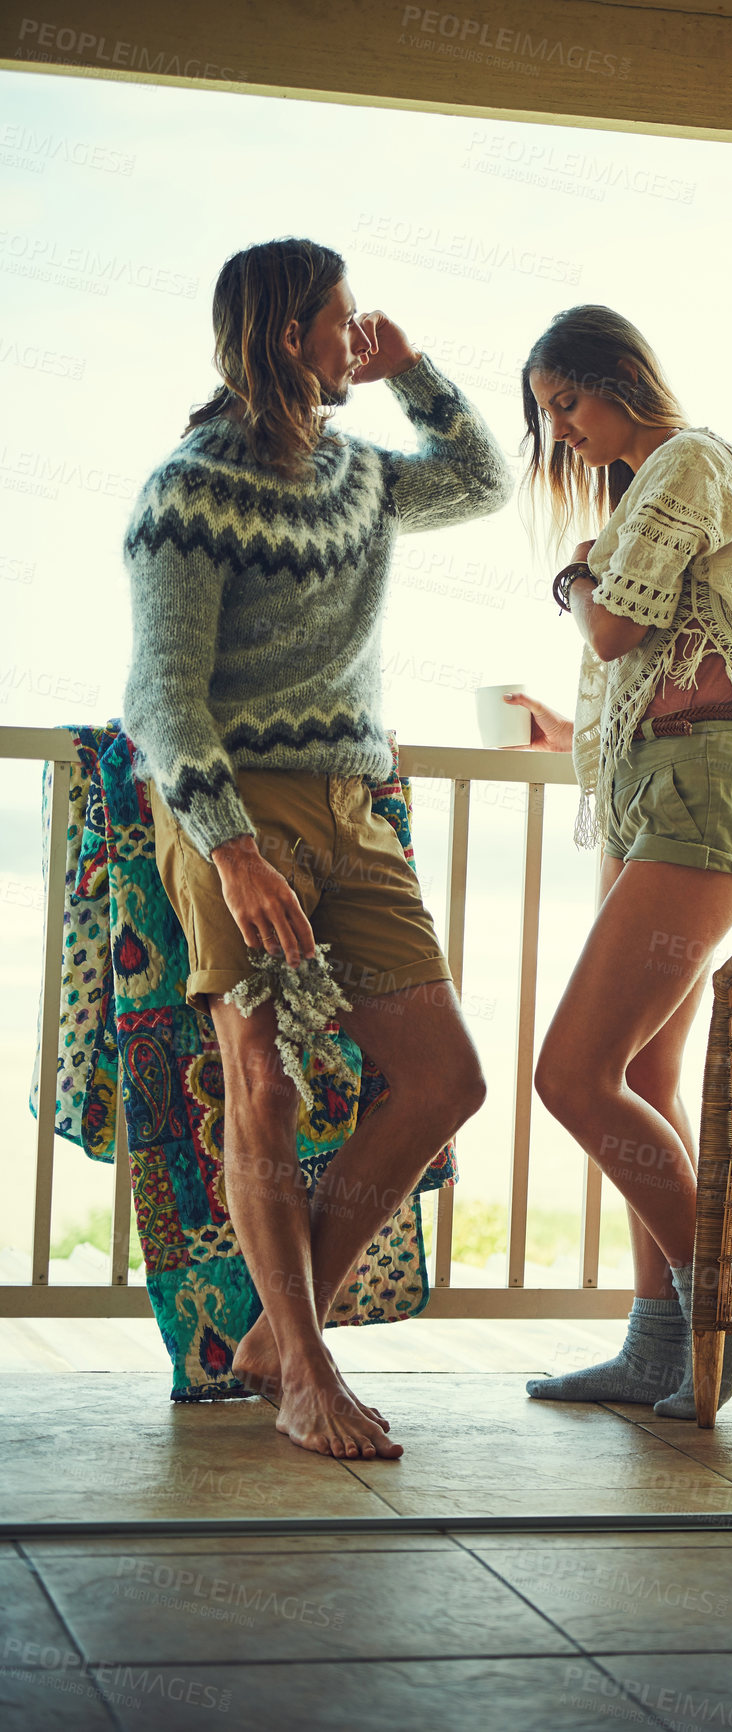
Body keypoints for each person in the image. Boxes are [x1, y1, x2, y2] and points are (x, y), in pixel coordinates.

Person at [121, 238, 513, 1460]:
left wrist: (415, 372)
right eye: (343, 322)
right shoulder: (186, 490)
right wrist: (232, 851)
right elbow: (161, 699)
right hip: (239, 815)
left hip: (356, 811)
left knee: (445, 1079)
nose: (359, 334)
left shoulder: (361, 475)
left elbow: (486, 477)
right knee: (264, 1084)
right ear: (288, 334)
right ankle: (303, 1373)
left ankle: (285, 1335)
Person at [509, 304, 732, 1419]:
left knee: (571, 1075)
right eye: (550, 417)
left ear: (616, 377)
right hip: (652, 790)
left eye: (565, 404)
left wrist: (575, 580)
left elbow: (618, 630)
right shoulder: (646, 487)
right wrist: (565, 731)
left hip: (699, 793)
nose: (564, 433)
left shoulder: (687, 459)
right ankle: (654, 1343)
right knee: (643, 1079)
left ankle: (721, 1297)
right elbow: (654, 670)